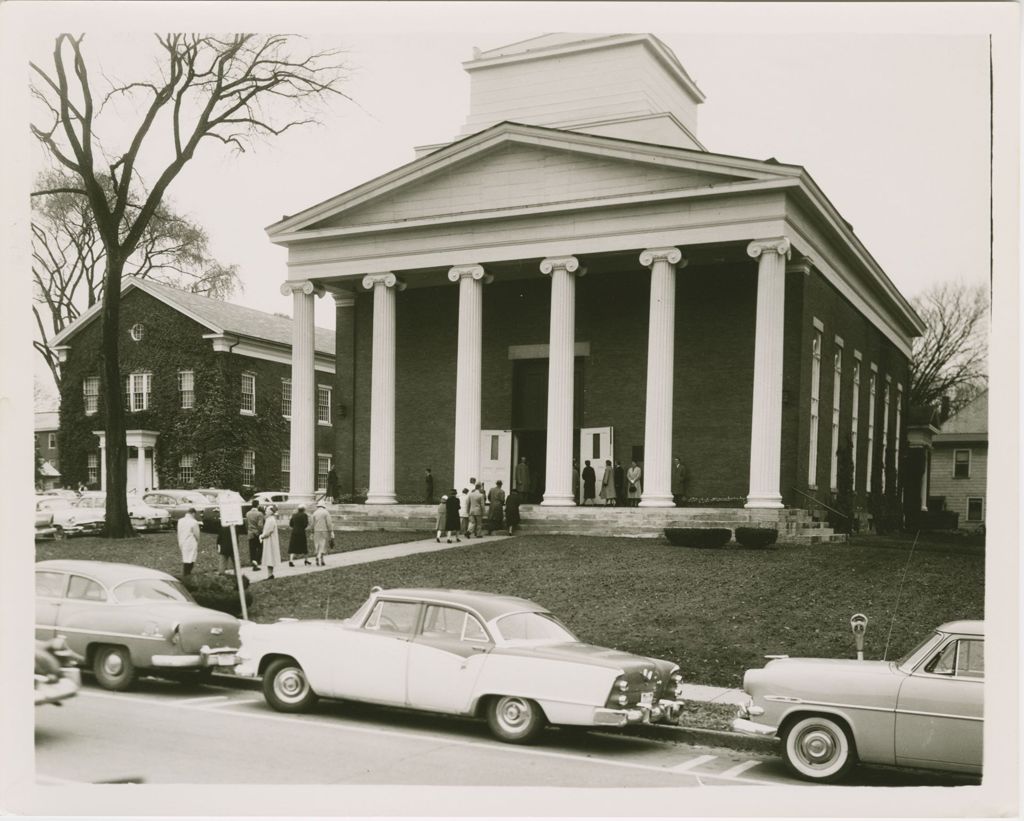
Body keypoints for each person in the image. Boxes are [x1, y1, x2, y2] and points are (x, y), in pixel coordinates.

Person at [259, 504, 281, 579]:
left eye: (267, 510)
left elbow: (268, 531)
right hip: (269, 540)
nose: (265, 512)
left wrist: (262, 536)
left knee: (269, 556)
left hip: (270, 541)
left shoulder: (270, 520)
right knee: (269, 556)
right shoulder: (270, 519)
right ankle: (270, 574)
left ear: (270, 512)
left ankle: (270, 574)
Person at [177, 508, 200, 576]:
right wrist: (198, 541)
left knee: (185, 558)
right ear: (193, 514)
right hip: (191, 542)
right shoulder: (194, 522)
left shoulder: (180, 521)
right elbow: (196, 534)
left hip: (182, 541)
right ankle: (187, 573)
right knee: (191, 558)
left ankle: (186, 573)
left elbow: (179, 532)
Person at [310, 502, 334, 566]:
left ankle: (320, 559)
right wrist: (331, 531)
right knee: (323, 545)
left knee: (317, 545)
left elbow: (312, 524)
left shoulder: (314, 513)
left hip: (316, 531)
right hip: (324, 531)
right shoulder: (326, 512)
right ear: (323, 506)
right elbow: (329, 523)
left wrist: (312, 532)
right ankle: (320, 558)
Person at [245, 501, 265, 570]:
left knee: (252, 549)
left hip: (250, 533)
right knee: (260, 547)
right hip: (257, 533)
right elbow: (260, 525)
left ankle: (252, 561)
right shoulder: (260, 514)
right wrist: (260, 532)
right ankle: (257, 561)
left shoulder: (247, 513)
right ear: (258, 505)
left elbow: (247, 524)